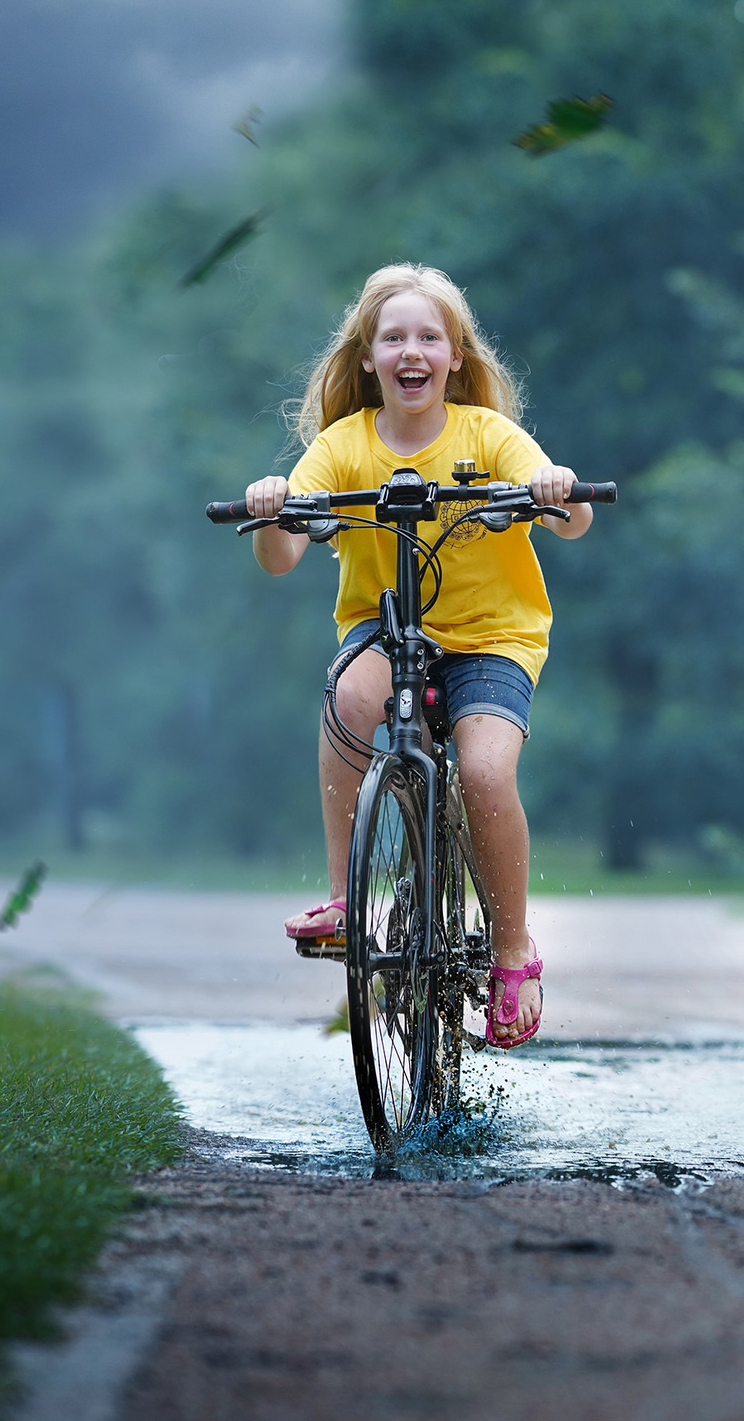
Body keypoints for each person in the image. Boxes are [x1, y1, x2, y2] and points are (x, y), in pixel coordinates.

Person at [241, 263, 594, 1049]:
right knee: (348, 701)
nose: (412, 350)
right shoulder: (341, 447)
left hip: (490, 638)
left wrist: (554, 488)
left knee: (484, 770)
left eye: (429, 337)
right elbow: (281, 556)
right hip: (384, 626)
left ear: (456, 355)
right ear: (366, 357)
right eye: (392, 337)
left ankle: (511, 953)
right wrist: (273, 511)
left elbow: (571, 524)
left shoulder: (487, 436)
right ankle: (344, 899)